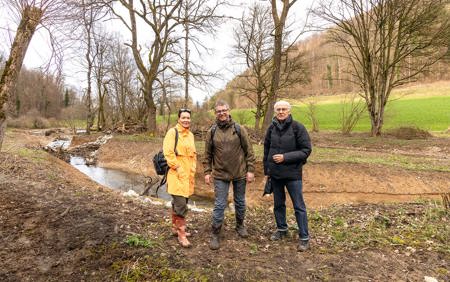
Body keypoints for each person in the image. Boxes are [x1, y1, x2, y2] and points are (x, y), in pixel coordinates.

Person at [203, 100, 256, 250]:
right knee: (220, 204)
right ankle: (215, 233)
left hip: (240, 172)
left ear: (229, 110)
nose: (222, 113)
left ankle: (240, 226)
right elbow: (207, 155)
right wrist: (207, 172)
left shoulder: (239, 129)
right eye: (218, 111)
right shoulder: (212, 131)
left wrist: (250, 170)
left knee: (240, 202)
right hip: (220, 174)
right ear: (215, 113)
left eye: (224, 110)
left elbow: (249, 151)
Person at [263, 100, 312, 252]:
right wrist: (267, 172)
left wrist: (285, 157)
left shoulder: (298, 127)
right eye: (278, 110)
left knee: (299, 206)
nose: (281, 112)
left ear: (289, 111)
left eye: (284, 109)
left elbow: (306, 150)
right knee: (278, 205)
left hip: (293, 175)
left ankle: (304, 237)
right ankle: (282, 229)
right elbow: (266, 151)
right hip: (276, 175)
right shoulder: (271, 128)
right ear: (275, 112)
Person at [163, 108, 196, 248]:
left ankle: (175, 228)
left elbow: (193, 155)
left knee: (179, 204)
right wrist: (179, 168)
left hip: (188, 177)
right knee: (181, 205)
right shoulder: (172, 132)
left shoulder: (191, 135)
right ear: (178, 119)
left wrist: (192, 170)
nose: (186, 120)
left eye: (188, 118)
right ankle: (181, 234)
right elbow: (168, 153)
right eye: (183, 117)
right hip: (176, 176)